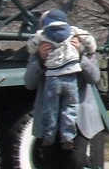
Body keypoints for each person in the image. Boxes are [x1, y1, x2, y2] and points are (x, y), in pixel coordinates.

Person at [25, 9, 96, 149]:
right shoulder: (40, 48)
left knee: (77, 159)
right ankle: (51, 136)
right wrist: (41, 59)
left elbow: (94, 77)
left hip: (81, 123)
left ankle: (68, 137)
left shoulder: (78, 42)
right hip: (47, 125)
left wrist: (79, 56)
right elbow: (29, 83)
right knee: (50, 161)